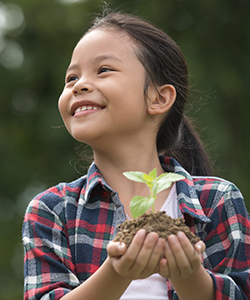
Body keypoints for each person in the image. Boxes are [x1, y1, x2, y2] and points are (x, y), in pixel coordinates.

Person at [22, 9, 250, 300]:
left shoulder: (218, 201)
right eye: (71, 78)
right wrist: (117, 272)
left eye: (103, 70)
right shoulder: (52, 210)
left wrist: (190, 276)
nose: (79, 85)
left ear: (158, 98)